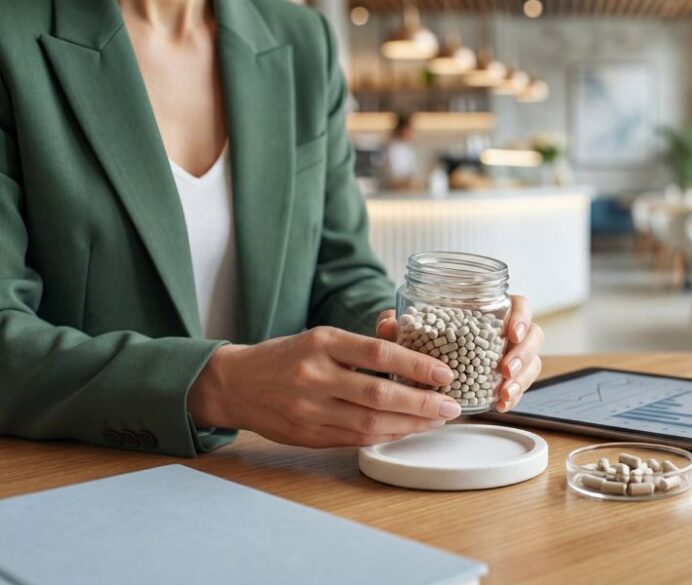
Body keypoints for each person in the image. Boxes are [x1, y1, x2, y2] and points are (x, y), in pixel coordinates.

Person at [0, 0, 544, 457]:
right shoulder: (14, 35)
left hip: (280, 478)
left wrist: (411, 337)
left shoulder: (302, 39)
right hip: (76, 479)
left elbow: (339, 269)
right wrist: (216, 385)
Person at [381, 114, 417, 190]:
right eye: (408, 130)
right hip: (391, 191)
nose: (411, 133)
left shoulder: (408, 148)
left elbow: (411, 174)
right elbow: (393, 178)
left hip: (405, 190)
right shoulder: (392, 148)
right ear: (401, 130)